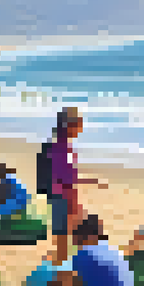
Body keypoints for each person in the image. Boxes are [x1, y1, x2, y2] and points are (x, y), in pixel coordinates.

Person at [39, 107, 105, 264]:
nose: (81, 127)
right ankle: (62, 271)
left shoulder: (57, 143)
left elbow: (63, 175)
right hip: (62, 197)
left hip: (57, 196)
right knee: (66, 240)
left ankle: (61, 266)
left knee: (65, 238)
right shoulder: (62, 146)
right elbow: (67, 178)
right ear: (71, 124)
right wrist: (90, 181)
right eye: (80, 123)